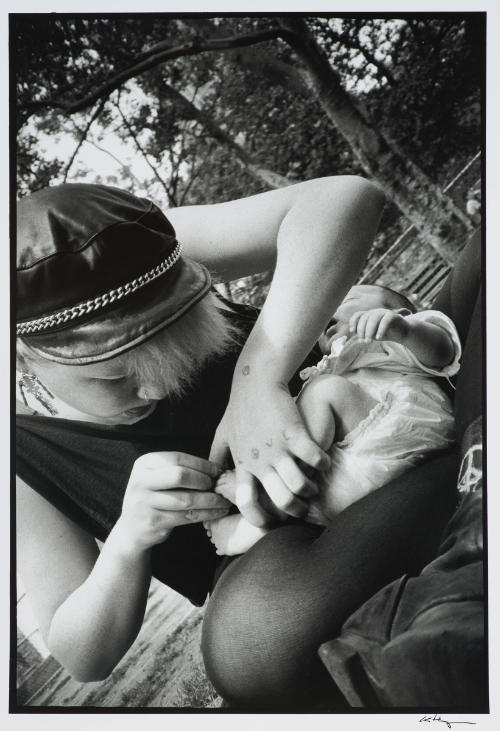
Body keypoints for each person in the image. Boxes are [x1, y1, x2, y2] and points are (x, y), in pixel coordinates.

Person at [15, 178, 459, 710]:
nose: (157, 388)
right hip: (291, 561)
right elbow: (83, 657)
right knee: (254, 646)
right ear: (22, 356)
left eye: (176, 345)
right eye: (112, 377)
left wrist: (258, 380)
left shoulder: (132, 243)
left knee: (481, 263)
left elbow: (347, 198)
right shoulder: (23, 453)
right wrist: (129, 541)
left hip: (375, 427)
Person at [204, 283, 461, 556]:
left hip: (405, 439)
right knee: (300, 411)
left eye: (348, 299)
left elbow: (441, 351)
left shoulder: (397, 339)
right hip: (343, 489)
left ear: (398, 311)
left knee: (324, 391)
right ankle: (275, 503)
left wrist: (404, 330)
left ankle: (265, 505)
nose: (332, 309)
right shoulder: (333, 366)